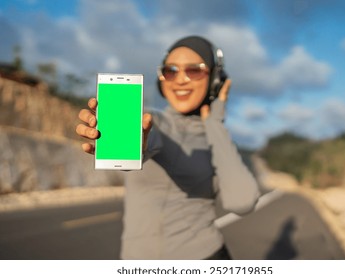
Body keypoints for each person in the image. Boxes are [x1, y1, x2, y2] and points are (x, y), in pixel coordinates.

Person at [76, 35, 261, 260]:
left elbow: (242, 202)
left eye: (193, 70)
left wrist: (215, 124)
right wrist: (136, 140)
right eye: (171, 71)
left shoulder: (218, 139)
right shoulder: (155, 121)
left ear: (215, 79)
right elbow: (151, 136)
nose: (180, 79)